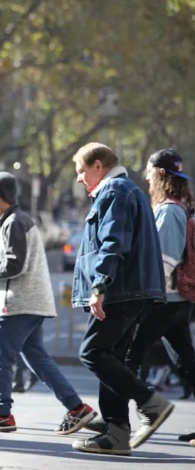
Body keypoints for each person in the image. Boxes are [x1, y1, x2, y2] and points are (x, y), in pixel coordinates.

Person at [0, 171, 95, 434]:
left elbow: (14, 266)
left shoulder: (14, 222)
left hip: (18, 304)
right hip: (30, 303)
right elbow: (13, 262)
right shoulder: (15, 220)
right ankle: (76, 408)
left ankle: (2, 414)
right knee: (37, 359)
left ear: (1, 196)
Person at [69, 143, 172, 456]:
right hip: (129, 289)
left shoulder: (115, 191)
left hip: (122, 290)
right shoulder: (126, 191)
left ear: (98, 166)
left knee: (93, 352)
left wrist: (100, 286)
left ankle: (150, 404)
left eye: (81, 171)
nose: (79, 179)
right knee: (109, 356)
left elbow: (113, 242)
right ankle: (116, 434)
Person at [124, 150, 195, 444]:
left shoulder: (168, 211)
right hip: (175, 302)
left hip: (162, 300)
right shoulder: (176, 208)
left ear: (162, 174)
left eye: (150, 171)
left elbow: (162, 262)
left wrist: (141, 297)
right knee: (186, 362)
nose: (146, 175)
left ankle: (117, 418)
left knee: (127, 357)